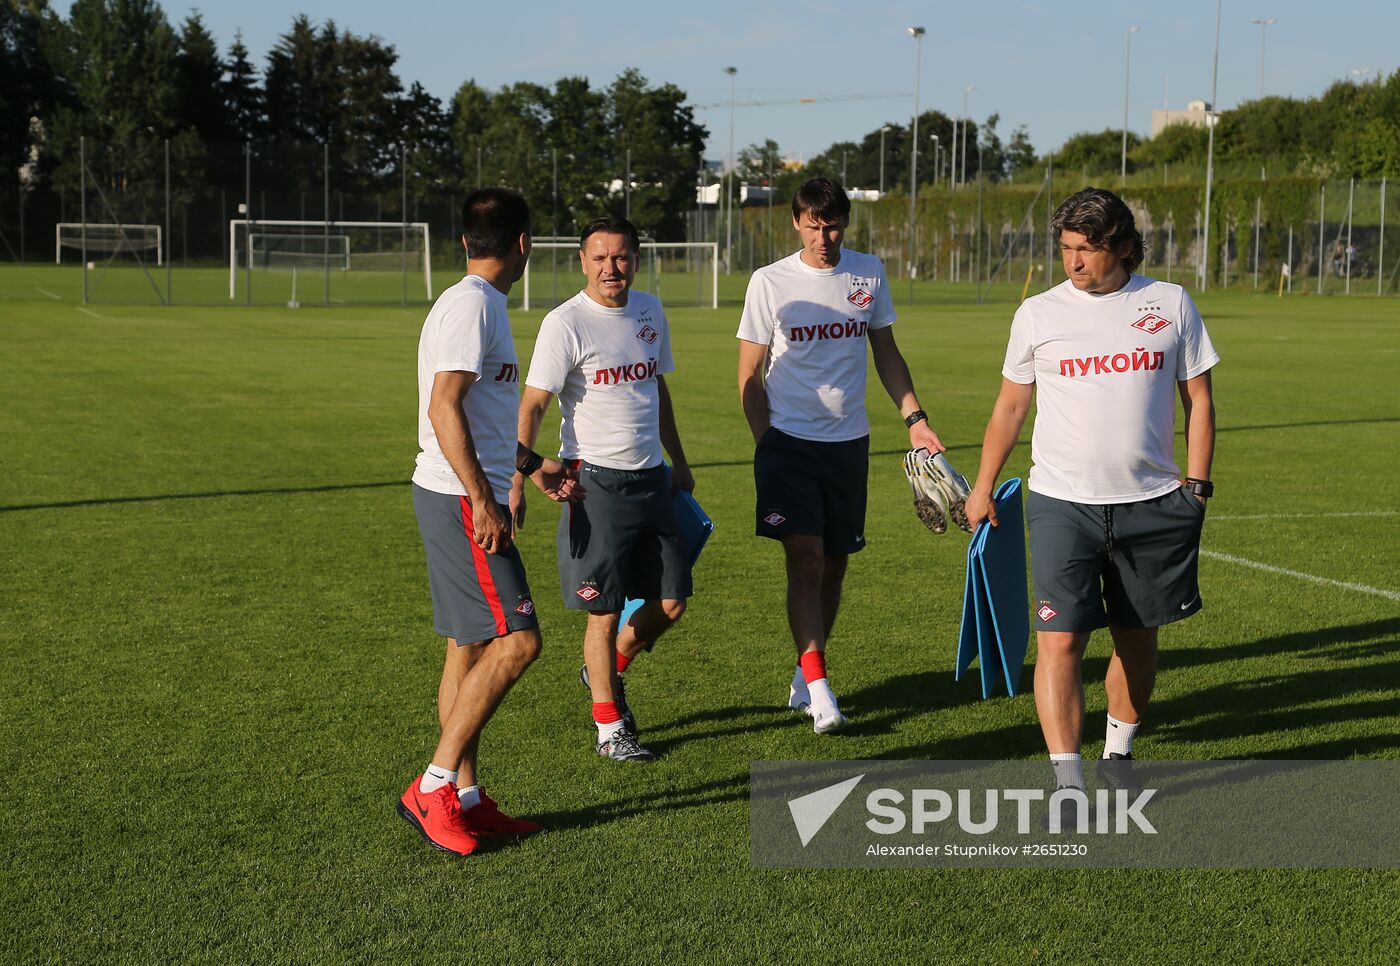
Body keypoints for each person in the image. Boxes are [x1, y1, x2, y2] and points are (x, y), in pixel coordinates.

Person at [964, 186, 1218, 801]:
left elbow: (1200, 399)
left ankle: (1119, 751)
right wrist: (981, 485)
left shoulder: (1170, 303)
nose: (1073, 263)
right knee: (1060, 639)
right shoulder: (1038, 313)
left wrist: (1198, 487)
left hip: (1153, 502)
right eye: (1066, 249)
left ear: (1125, 248)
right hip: (1060, 503)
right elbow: (1010, 405)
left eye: (1087, 250)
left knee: (1136, 637)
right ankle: (1067, 782)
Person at [401, 187, 583, 857]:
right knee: (520, 641)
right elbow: (444, 406)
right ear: (524, 244)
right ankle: (434, 787)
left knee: (469, 647)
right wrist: (482, 499)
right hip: (457, 497)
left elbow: (479, 414)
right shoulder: (472, 307)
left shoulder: (480, 305)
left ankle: (467, 799)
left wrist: (533, 466)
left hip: (455, 490)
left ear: (465, 242)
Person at [736, 176, 947, 734]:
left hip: (849, 444)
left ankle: (805, 675)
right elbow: (747, 375)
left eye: (832, 225)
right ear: (796, 223)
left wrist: (915, 419)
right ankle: (822, 689)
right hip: (788, 445)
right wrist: (767, 445)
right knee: (804, 559)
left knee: (834, 565)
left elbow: (886, 352)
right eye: (812, 225)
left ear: (844, 223)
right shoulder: (770, 281)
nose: (823, 236)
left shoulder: (867, 273)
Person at [519, 216, 694, 764]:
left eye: (620, 258)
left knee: (670, 603)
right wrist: (519, 475)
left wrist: (679, 460)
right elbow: (533, 405)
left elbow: (656, 387)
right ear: (581, 260)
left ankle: (603, 672)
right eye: (599, 258)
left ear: (636, 259)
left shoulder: (649, 311)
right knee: (605, 611)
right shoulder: (564, 322)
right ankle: (609, 726)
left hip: (653, 479)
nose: (610, 269)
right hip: (594, 484)